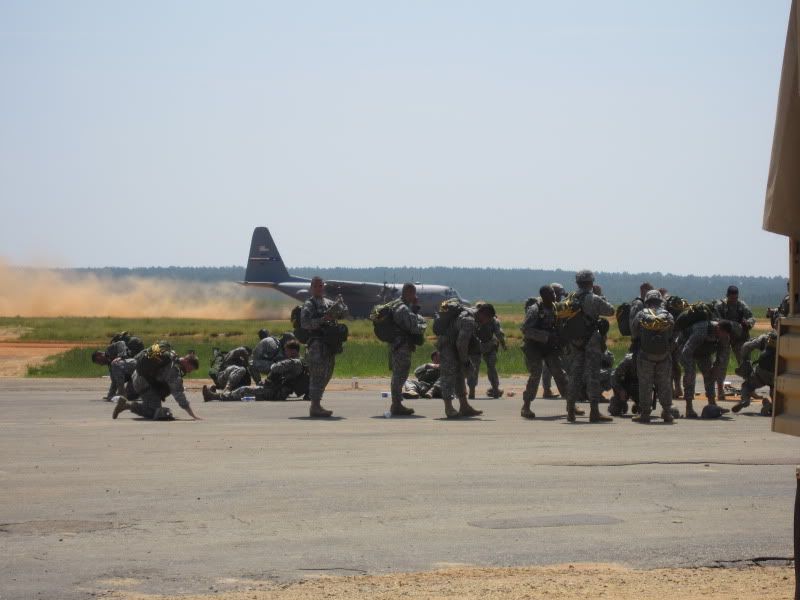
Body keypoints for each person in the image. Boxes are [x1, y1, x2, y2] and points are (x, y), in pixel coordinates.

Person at [520, 285, 579, 419]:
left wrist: (562, 340)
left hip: (550, 347)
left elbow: (559, 326)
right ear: (544, 295)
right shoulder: (534, 310)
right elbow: (526, 330)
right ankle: (526, 406)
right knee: (536, 373)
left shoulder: (555, 308)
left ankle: (571, 404)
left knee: (560, 374)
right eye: (551, 293)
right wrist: (546, 336)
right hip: (534, 347)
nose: (554, 295)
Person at [565, 270, 615, 423]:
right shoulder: (593, 298)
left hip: (575, 343)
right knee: (593, 376)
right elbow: (610, 311)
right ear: (591, 282)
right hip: (591, 342)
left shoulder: (569, 299)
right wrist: (601, 295)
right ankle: (594, 412)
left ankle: (571, 410)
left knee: (575, 376)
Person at [300, 276, 348, 418]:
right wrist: (322, 320)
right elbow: (305, 323)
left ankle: (317, 404)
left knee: (327, 373)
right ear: (311, 288)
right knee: (317, 375)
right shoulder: (309, 304)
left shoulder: (328, 303)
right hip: (317, 344)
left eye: (321, 286)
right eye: (316, 286)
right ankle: (314, 406)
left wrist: (342, 305)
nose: (319, 288)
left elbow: (343, 314)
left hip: (329, 344)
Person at [203, 341, 308, 401]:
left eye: (286, 351)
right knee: (247, 394)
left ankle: (214, 396)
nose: (285, 353)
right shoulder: (300, 362)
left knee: (243, 390)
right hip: (277, 389)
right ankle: (218, 394)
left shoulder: (293, 362)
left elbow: (275, 368)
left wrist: (274, 365)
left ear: (292, 351)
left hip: (274, 392)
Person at [112, 351, 201, 421]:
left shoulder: (171, 354)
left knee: (156, 409)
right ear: (186, 361)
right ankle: (127, 405)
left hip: (137, 376)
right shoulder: (174, 370)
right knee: (154, 412)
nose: (189, 371)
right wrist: (192, 415)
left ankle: (134, 404)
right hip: (145, 384)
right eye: (190, 368)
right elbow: (178, 393)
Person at [437, 303, 491, 418]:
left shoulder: (469, 314)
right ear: (483, 314)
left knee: (460, 376)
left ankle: (464, 406)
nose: (486, 322)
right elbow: (462, 343)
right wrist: (465, 361)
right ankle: (448, 408)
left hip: (453, 347)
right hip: (448, 347)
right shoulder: (468, 320)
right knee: (448, 376)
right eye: (487, 319)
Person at [630, 290, 675, 423]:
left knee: (645, 384)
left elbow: (634, 333)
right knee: (665, 384)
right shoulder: (668, 315)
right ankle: (667, 413)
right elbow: (672, 334)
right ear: (660, 301)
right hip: (664, 355)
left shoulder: (641, 314)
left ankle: (645, 414)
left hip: (645, 355)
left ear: (647, 301)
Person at [385, 283, 427, 416]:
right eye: (413, 293)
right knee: (400, 375)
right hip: (401, 346)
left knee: (398, 375)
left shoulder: (397, 305)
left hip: (397, 344)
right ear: (408, 293)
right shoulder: (402, 308)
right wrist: (422, 325)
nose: (415, 296)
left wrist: (414, 308)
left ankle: (396, 403)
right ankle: (396, 404)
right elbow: (413, 327)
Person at [680, 320, 733, 418]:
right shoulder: (701, 331)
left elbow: (723, 352)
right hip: (687, 351)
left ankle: (712, 405)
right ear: (718, 328)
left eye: (726, 335)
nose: (723, 337)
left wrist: (716, 366)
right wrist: (689, 369)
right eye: (723, 334)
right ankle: (689, 408)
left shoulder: (725, 336)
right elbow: (686, 351)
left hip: (704, 353)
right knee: (690, 377)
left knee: (710, 376)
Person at [732, 329, 777, 416]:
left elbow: (746, 346)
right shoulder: (791, 340)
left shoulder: (766, 337)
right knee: (775, 393)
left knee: (746, 386)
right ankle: (772, 406)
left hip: (761, 373)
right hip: (779, 375)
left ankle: (745, 400)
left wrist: (745, 361)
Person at [714, 285, 755, 365]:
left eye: (736, 298)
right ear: (727, 296)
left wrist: (748, 323)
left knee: (745, 363)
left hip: (739, 338)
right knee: (720, 363)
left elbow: (751, 317)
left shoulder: (741, 305)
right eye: (732, 298)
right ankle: (717, 377)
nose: (734, 301)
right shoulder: (720, 305)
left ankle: (748, 375)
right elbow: (715, 319)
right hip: (725, 337)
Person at [542, 282, 568, 398]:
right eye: (558, 294)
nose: (560, 296)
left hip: (557, 341)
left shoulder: (557, 306)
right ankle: (547, 390)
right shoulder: (545, 307)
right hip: (548, 342)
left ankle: (565, 391)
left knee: (561, 367)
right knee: (548, 368)